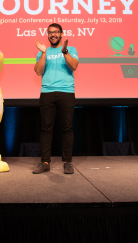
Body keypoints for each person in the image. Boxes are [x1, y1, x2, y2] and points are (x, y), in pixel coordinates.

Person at [33, 23, 79, 174]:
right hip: (47, 92)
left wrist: (65, 52)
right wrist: (44, 53)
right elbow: (38, 71)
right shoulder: (43, 52)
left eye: (56, 32)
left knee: (66, 128)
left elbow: (74, 66)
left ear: (61, 34)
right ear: (47, 35)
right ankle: (45, 162)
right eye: (50, 32)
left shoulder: (71, 50)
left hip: (66, 92)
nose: (53, 34)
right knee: (46, 128)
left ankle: (67, 162)